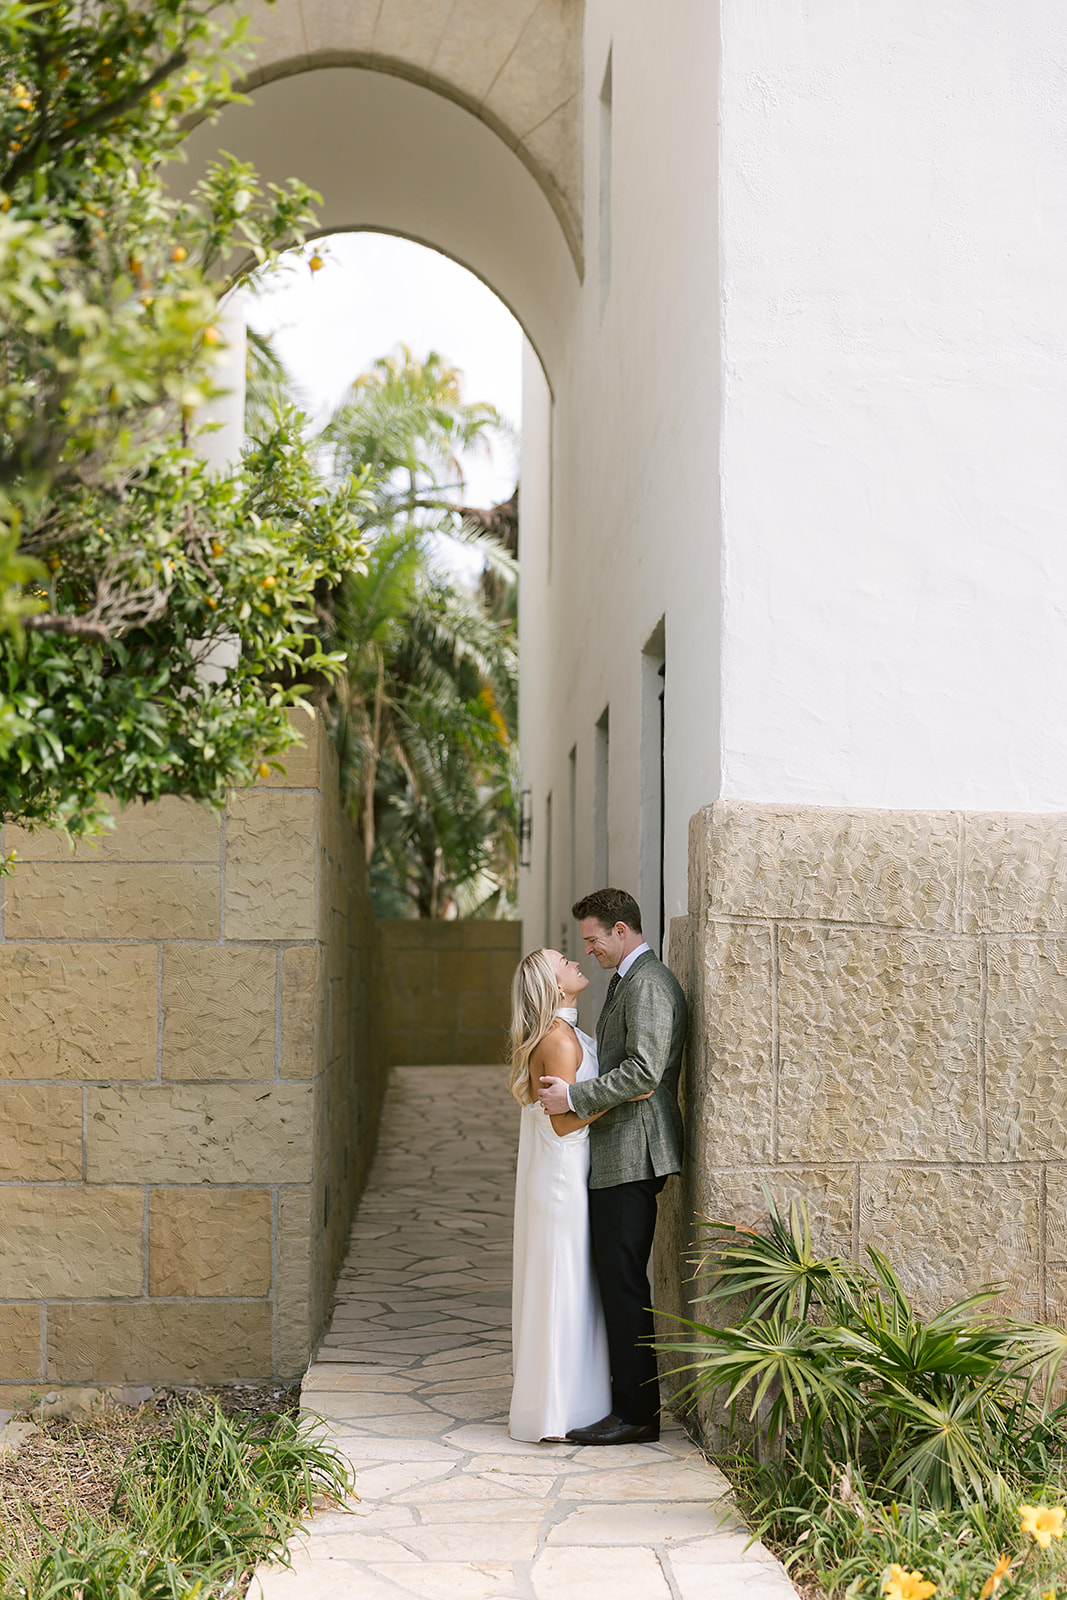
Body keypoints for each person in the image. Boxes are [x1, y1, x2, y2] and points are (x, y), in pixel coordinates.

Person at [538, 888, 687, 1446]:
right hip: (621, 1149)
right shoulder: (631, 980)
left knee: (623, 1286)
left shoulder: (647, 984)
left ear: (621, 931)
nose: (590, 950)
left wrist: (575, 1098)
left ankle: (637, 1414)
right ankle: (627, 1403)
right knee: (617, 1282)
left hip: (634, 1152)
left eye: (593, 939)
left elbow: (645, 1073)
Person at [507, 946, 653, 1443]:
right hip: (564, 1177)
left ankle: (572, 1402)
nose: (574, 960)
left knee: (573, 1287)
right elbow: (565, 1123)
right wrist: (622, 1095)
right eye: (562, 961)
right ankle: (557, 1408)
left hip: (570, 1174)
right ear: (553, 985)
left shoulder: (567, 1033)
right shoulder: (560, 1041)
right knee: (563, 1285)